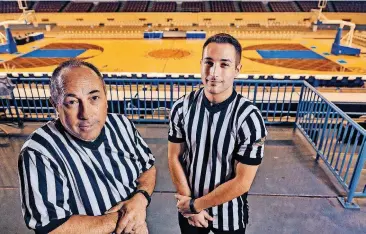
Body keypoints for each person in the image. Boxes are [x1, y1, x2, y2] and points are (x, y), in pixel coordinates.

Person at [18, 60, 156, 234]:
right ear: (55, 105)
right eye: (72, 102)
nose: (86, 113)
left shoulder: (122, 125)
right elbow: (50, 227)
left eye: (94, 98)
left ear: (106, 97)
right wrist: (128, 217)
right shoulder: (39, 151)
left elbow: (148, 167)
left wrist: (141, 198)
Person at [168, 33, 268, 234]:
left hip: (228, 218)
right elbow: (174, 156)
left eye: (224, 64)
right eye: (208, 62)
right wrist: (189, 205)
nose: (213, 72)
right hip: (189, 214)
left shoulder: (249, 118)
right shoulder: (181, 107)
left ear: (237, 70)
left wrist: (197, 205)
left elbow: (242, 182)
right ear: (201, 63)